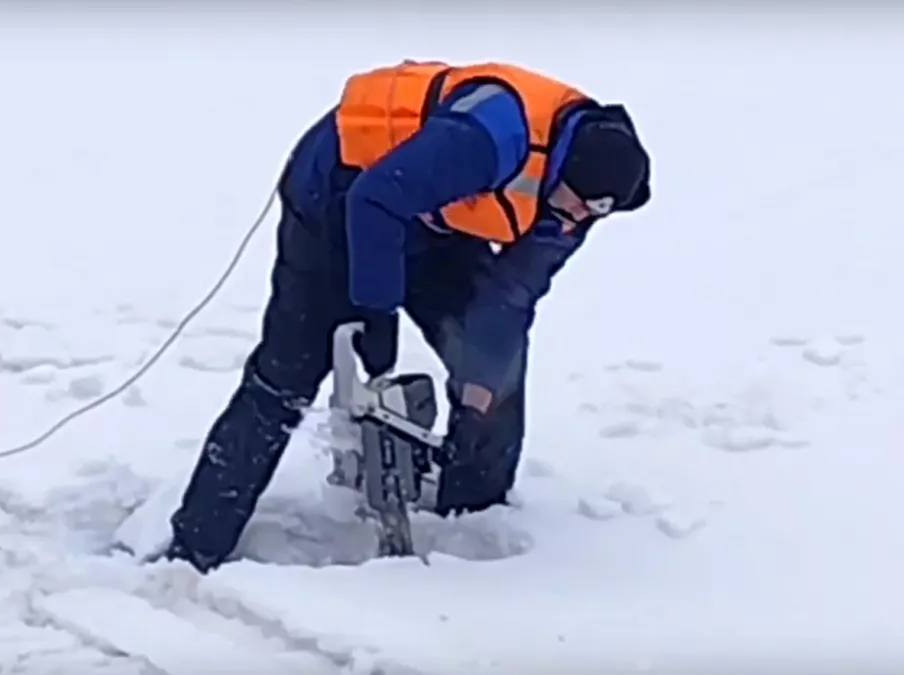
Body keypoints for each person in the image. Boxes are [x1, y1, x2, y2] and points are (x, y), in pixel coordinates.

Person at [164, 59, 652, 573]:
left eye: (591, 215)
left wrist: (482, 378)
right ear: (562, 168)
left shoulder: (584, 194)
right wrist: (377, 310)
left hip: (436, 222)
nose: (574, 220)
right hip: (340, 197)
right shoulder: (489, 139)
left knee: (498, 381)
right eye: (574, 206)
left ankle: (471, 526)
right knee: (288, 374)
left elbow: (513, 290)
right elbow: (373, 199)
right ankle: (196, 547)